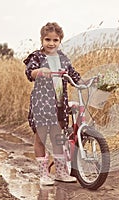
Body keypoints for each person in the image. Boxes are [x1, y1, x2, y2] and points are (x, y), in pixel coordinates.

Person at [23, 22, 81, 186]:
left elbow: (74, 75)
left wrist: (88, 82)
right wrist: (40, 71)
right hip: (42, 102)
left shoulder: (63, 58)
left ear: (60, 40)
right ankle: (43, 174)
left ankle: (61, 172)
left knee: (58, 138)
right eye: (47, 39)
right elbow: (30, 72)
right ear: (42, 40)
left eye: (55, 40)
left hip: (59, 102)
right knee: (41, 138)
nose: (51, 43)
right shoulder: (37, 57)